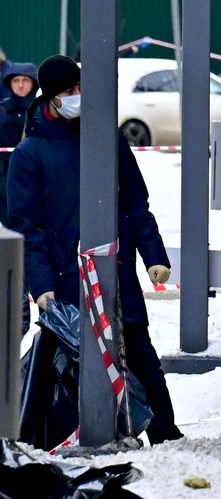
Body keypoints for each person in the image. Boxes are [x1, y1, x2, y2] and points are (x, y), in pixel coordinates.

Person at [6, 55, 183, 445]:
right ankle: (44, 439)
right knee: (61, 367)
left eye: (80, 89)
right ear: (51, 98)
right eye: (69, 92)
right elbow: (27, 229)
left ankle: (167, 437)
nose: (78, 97)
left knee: (140, 357)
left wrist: (154, 256)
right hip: (64, 284)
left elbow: (136, 203)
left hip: (116, 275)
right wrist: (41, 286)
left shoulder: (107, 138)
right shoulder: (30, 154)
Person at [0, 62, 39, 337]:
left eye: (26, 81)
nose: (21, 86)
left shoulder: (41, 113)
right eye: (17, 81)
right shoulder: (2, 110)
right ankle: (16, 318)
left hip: (32, 194)